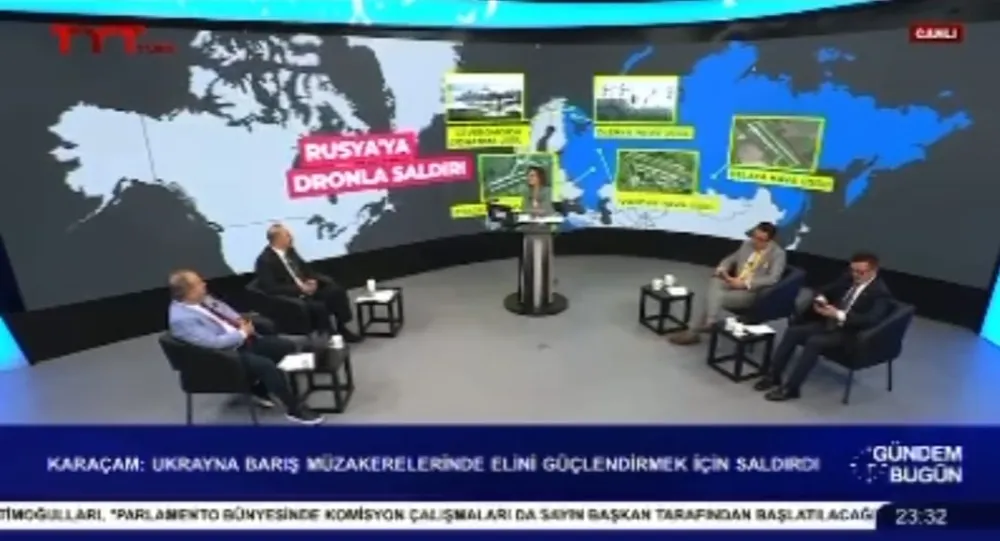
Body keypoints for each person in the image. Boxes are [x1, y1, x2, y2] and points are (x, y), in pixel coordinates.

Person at [166, 270, 323, 425]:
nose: (204, 284)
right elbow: (214, 343)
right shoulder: (182, 319)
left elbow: (224, 310)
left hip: (240, 341)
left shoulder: (203, 298)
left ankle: (259, 386)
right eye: (199, 283)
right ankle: (294, 408)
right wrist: (242, 333)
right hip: (223, 356)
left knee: (285, 347)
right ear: (188, 292)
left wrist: (240, 321)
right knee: (266, 366)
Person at [755, 252, 892, 402]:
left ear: (873, 271)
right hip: (829, 323)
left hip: (851, 333)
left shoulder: (880, 293)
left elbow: (871, 319)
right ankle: (773, 376)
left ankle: (792, 388)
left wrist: (839, 315)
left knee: (814, 342)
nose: (855, 275)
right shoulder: (848, 278)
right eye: (853, 270)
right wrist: (821, 299)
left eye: (860, 272)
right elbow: (823, 289)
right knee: (793, 332)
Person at [670, 222, 786, 345]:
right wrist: (723, 268)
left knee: (714, 297)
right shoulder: (747, 244)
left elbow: (773, 278)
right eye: (754, 236)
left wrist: (745, 283)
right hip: (734, 281)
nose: (755, 241)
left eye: (760, 240)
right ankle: (710, 321)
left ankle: (697, 330)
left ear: (770, 241)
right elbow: (731, 259)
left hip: (751, 292)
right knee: (715, 282)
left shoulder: (778, 254)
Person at [254, 224, 361, 342]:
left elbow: (306, 269)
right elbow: (271, 288)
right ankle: (329, 335)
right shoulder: (264, 261)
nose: (291, 237)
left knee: (336, 291)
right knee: (319, 307)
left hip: (307, 288)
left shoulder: (290, 251)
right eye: (287, 235)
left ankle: (342, 327)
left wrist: (313, 281)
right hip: (292, 295)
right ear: (277, 239)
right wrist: (300, 289)